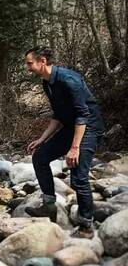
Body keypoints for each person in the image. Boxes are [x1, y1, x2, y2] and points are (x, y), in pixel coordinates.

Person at [24, 46, 104, 239]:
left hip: (89, 128)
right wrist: (42, 139)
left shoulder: (69, 80)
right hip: (71, 126)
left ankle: (86, 226)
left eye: (29, 63)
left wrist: (75, 148)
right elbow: (58, 115)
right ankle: (49, 207)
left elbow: (82, 115)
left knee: (78, 176)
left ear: (42, 61)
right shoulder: (47, 83)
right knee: (40, 157)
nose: (27, 68)